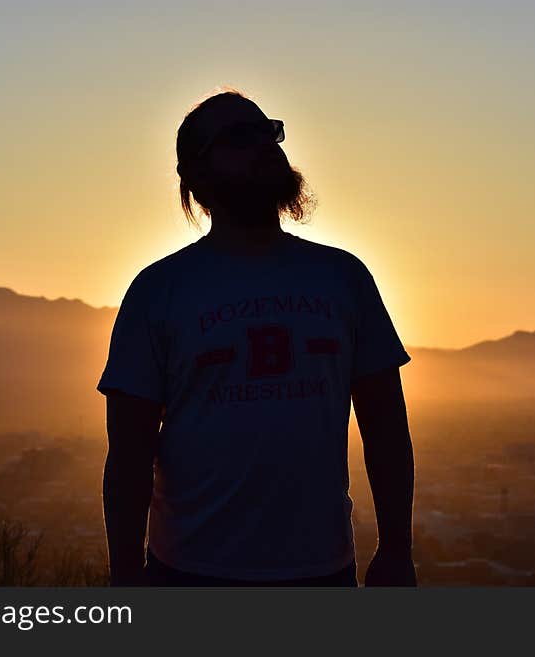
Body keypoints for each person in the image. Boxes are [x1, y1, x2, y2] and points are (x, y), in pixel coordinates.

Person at [97, 88, 416, 587]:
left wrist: (397, 548)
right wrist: (125, 578)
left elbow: (387, 428)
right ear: (196, 177)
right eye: (238, 137)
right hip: (189, 574)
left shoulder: (344, 278)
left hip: (322, 572)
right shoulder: (157, 292)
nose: (265, 144)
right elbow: (129, 456)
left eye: (268, 130)